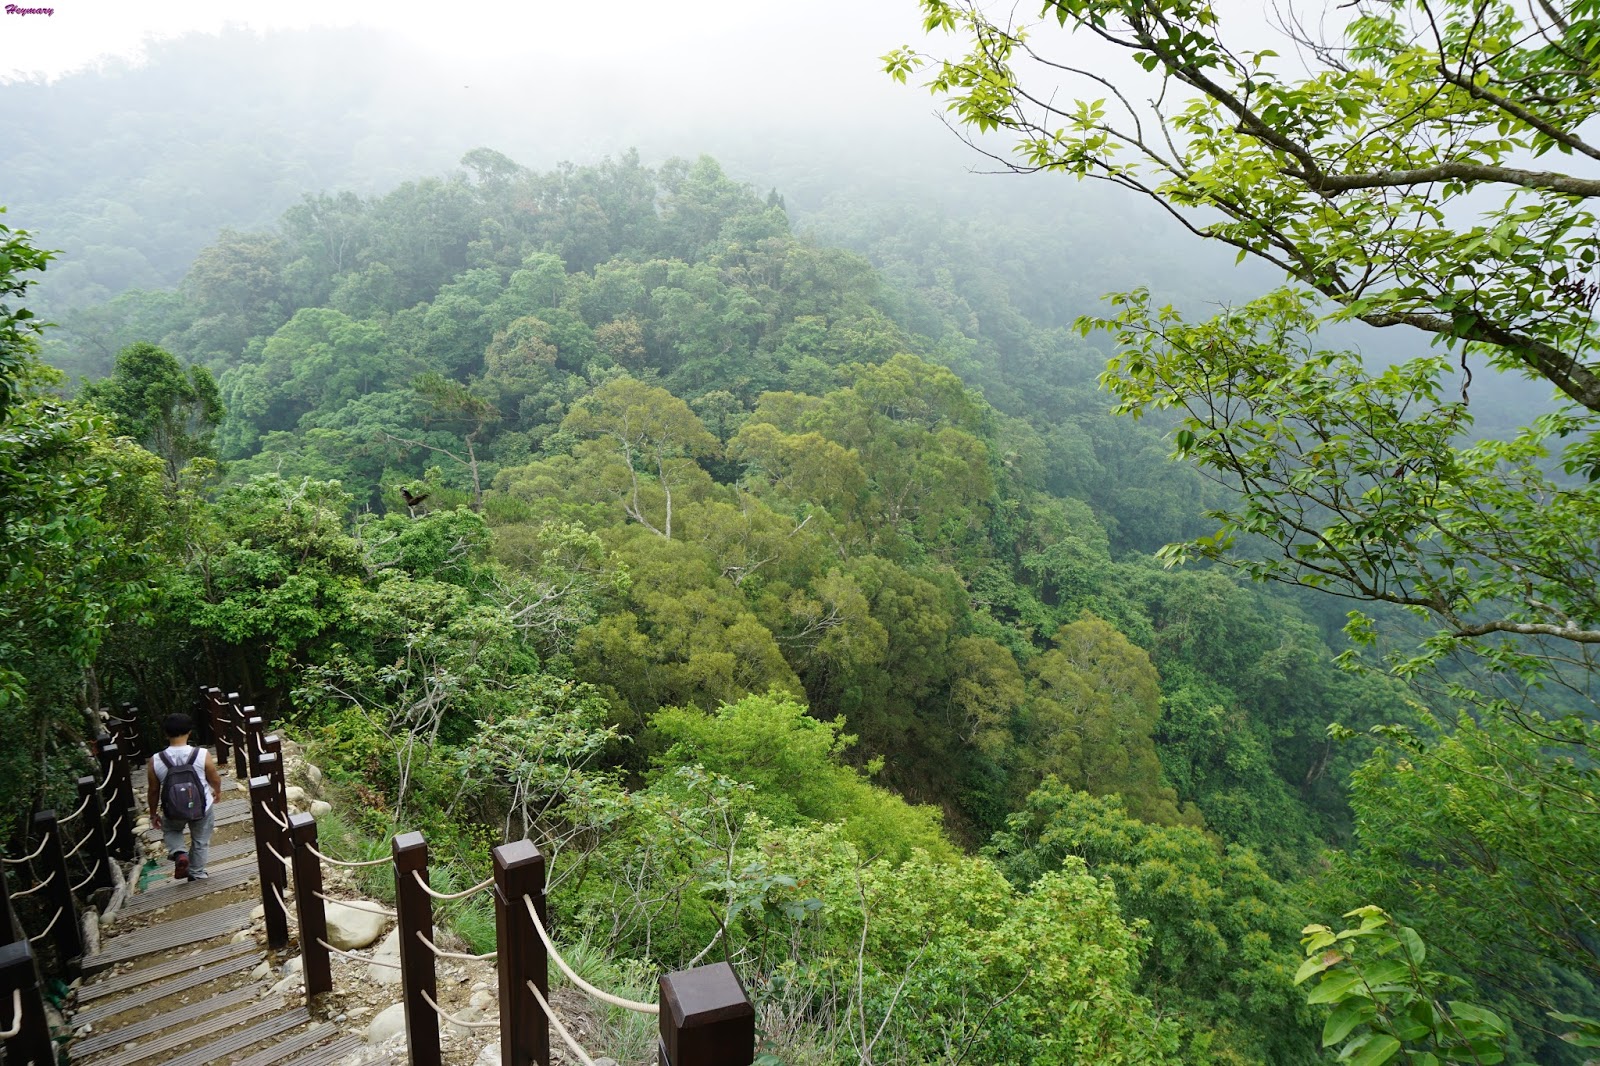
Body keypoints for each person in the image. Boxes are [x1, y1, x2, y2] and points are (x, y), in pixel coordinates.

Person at [146, 713, 223, 881]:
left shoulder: (155, 760)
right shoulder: (202, 754)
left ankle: (179, 853)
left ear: (165, 734)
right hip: (201, 806)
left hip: (172, 809)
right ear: (189, 732)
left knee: (172, 830)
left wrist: (153, 813)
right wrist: (217, 791)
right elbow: (214, 778)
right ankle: (197, 873)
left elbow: (153, 790)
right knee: (200, 839)